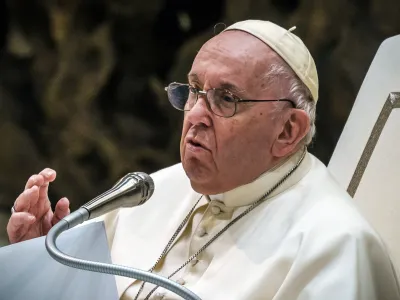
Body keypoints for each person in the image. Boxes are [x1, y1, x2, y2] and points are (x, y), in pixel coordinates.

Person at [6, 20, 400, 300]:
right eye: (193, 91)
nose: (194, 114)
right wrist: (47, 263)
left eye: (226, 98)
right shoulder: (154, 191)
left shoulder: (335, 248)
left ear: (287, 131)